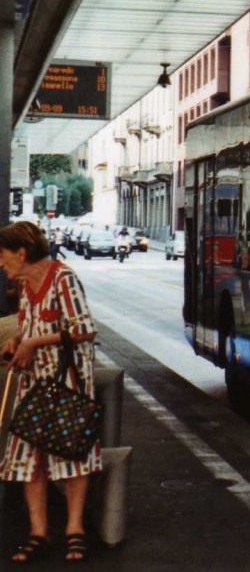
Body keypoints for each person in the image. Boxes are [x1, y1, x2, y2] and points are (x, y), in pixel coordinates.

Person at [0, 220, 102, 563]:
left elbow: (85, 330)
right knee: (31, 458)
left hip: (67, 384)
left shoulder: (63, 278)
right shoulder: (26, 286)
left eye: (3, 256)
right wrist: (17, 341)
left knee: (70, 454)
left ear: (22, 253)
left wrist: (33, 342)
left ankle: (75, 530)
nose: (1, 264)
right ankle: (38, 532)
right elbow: (28, 325)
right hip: (33, 383)